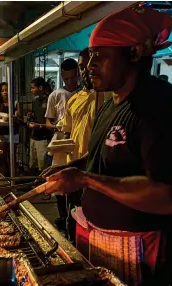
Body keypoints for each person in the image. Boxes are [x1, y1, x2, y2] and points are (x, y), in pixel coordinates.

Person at [41, 6, 172, 286]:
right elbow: (102, 162)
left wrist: (85, 179)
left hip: (140, 253)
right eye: (89, 56)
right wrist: (72, 170)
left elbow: (168, 197)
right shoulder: (110, 105)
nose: (89, 65)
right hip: (103, 244)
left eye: (100, 56)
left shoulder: (162, 109)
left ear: (134, 54)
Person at [59, 49, 112, 243]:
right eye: (82, 67)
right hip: (74, 164)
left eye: (90, 65)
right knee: (72, 213)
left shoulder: (109, 98)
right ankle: (73, 245)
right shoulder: (74, 99)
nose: (86, 71)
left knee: (93, 218)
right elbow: (67, 132)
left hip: (97, 171)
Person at [44, 58, 79, 232]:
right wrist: (57, 128)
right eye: (67, 79)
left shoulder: (85, 95)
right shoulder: (56, 95)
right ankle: (62, 215)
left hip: (78, 144)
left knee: (75, 179)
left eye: (73, 78)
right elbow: (48, 121)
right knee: (58, 179)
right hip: (59, 144)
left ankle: (74, 217)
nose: (71, 82)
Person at [0, 82, 22, 176]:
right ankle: (3, 178)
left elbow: (20, 119)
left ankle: (12, 178)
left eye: (7, 90)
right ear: (0, 92)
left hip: (12, 133)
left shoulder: (16, 102)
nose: (5, 92)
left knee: (12, 158)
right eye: (3, 91)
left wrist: (13, 118)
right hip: (0, 133)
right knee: (1, 158)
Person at [28, 77, 52, 173]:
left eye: (33, 88)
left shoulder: (50, 100)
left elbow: (51, 121)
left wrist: (40, 125)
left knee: (43, 166)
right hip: (34, 137)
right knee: (32, 164)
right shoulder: (35, 101)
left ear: (40, 88)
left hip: (43, 138)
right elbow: (34, 115)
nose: (31, 90)